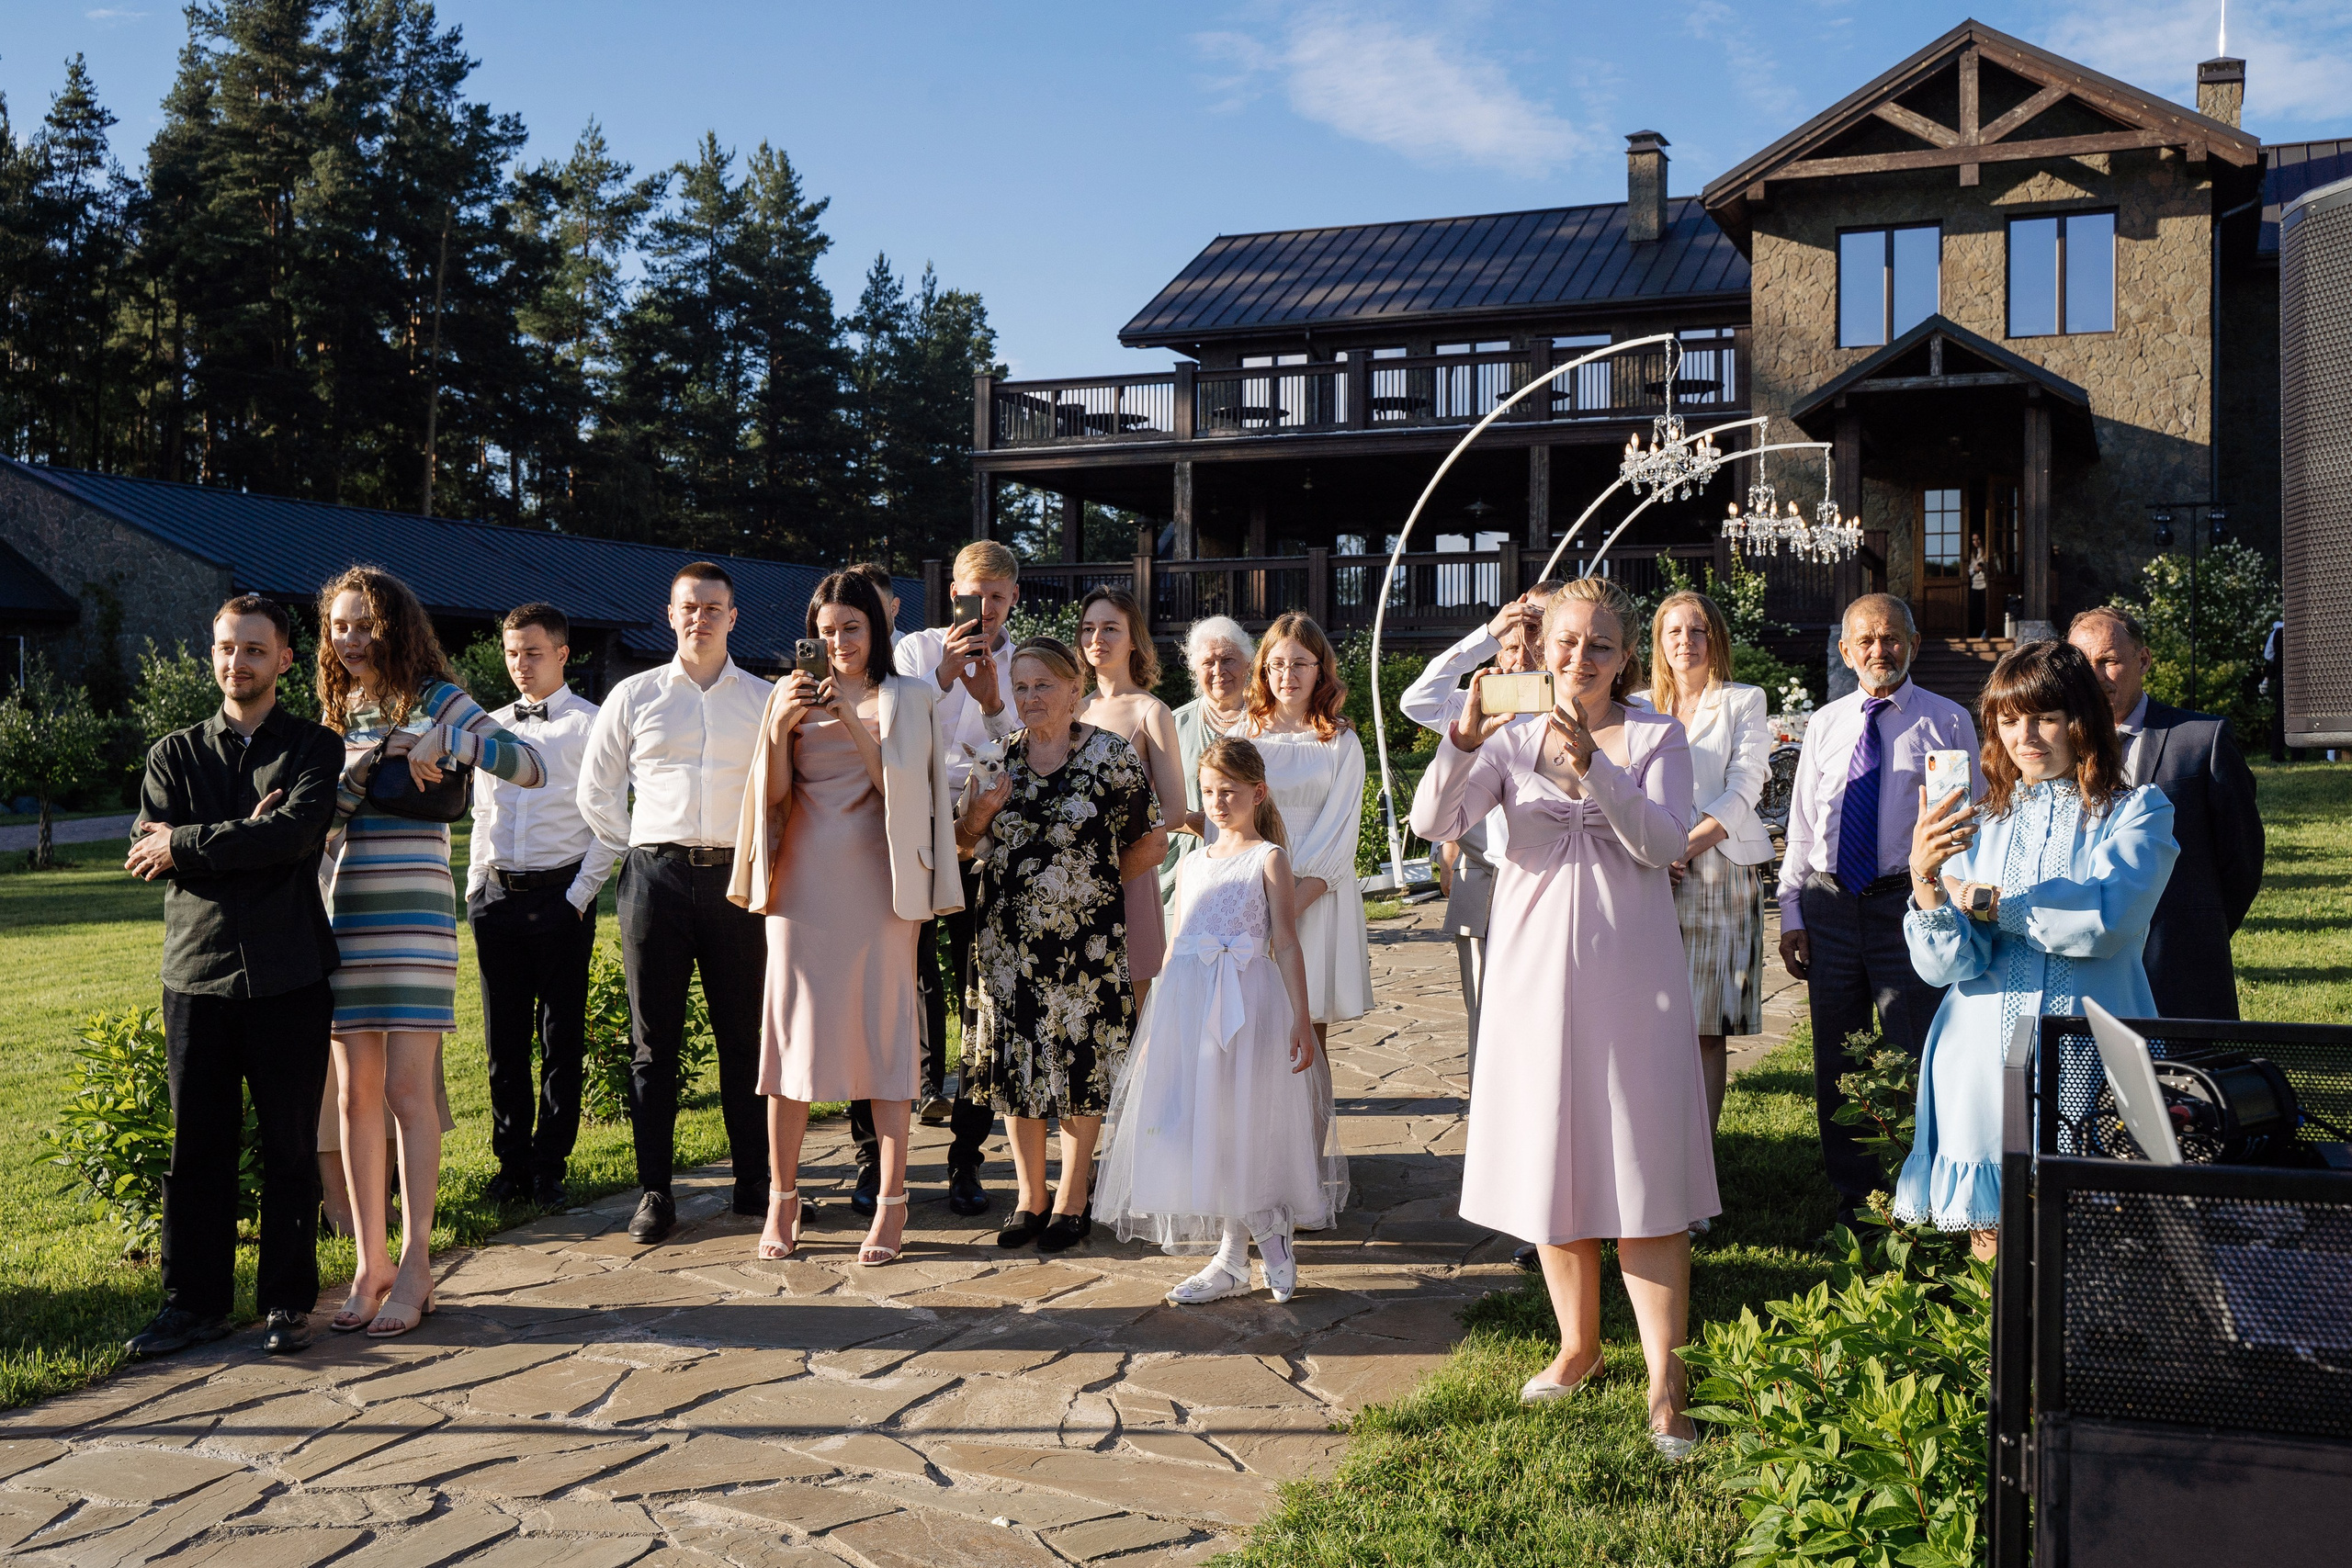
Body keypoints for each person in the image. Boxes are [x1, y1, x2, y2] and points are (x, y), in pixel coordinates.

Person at [1408, 577, 1718, 1456]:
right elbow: (1438, 818)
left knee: (1641, 1162)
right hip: (1532, 973)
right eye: (1567, 641)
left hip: (1632, 974)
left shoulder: (1658, 734)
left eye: (1601, 645)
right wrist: (1461, 743)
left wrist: (1597, 767)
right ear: (1543, 647)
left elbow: (1664, 843)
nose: (1580, 657)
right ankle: (1578, 1346)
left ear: (1628, 658)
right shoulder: (1505, 739)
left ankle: (1667, 1381)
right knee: (1556, 1155)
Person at [319, 566, 545, 1336]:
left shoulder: (437, 697)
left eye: (362, 624)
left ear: (394, 624)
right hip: (346, 912)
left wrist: (446, 737)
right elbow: (332, 824)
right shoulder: (340, 707)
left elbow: (530, 764)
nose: (349, 639)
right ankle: (368, 1260)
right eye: (339, 626)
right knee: (353, 1099)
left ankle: (417, 1263)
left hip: (416, 918)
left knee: (409, 1096)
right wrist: (346, 778)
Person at [120, 595, 346, 1359]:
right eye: (225, 647)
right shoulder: (172, 755)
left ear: (285, 658)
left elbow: (291, 837)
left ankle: (287, 1300)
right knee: (198, 1149)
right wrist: (240, 835)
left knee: (288, 1146)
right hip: (195, 976)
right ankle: (193, 1303)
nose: (236, 662)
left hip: (289, 974)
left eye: (254, 648)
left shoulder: (316, 747)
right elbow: (147, 851)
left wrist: (189, 842)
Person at [1897, 641, 2177, 1255]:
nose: (2024, 734)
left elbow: (2108, 918)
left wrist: (1991, 904)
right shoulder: (1976, 823)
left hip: (2091, 1056)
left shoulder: (2137, 811)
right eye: (2008, 718)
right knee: (1993, 1243)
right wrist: (1924, 879)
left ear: (2084, 720)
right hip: (1976, 1061)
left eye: (2045, 716)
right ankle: (1994, 1355)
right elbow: (1948, 963)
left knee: (2094, 1240)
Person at [729, 571, 960, 1267]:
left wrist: (854, 724)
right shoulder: (785, 693)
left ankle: (892, 1205)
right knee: (791, 1040)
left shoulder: (911, 696)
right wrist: (778, 728)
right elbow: (772, 796)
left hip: (880, 886)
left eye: (850, 629)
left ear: (876, 631)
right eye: (826, 631)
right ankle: (783, 1196)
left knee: (886, 1036)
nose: (837, 643)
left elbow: (904, 792)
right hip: (801, 885)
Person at [1094, 736, 1335, 1304]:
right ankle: (1232, 1258)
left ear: (1258, 792)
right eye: (1208, 791)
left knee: (1243, 1119)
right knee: (1203, 1125)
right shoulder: (1194, 859)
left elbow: (1286, 940)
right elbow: (1178, 942)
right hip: (1190, 1002)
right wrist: (1156, 1028)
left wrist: (1302, 1019)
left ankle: (1265, 1238)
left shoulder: (1268, 857)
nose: (1218, 801)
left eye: (1229, 791)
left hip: (1250, 1003)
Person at [578, 561, 773, 1245]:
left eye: (713, 607)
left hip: (736, 882)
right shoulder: (632, 697)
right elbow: (595, 788)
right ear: (670, 614)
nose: (700, 617)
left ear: (732, 617)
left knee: (743, 1035)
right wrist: (632, 844)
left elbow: (783, 790)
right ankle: (655, 1191)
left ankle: (754, 1181)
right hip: (654, 877)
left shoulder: (763, 698)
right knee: (652, 1042)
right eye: (689, 606)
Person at [956, 637, 1165, 1254]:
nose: (1030, 697)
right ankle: (1029, 1196)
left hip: (1086, 945)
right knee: (1018, 1068)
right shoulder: (996, 757)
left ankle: (1073, 1199)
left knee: (1080, 1067)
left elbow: (1150, 841)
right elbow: (965, 843)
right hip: (1005, 942)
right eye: (1020, 687)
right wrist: (979, 812)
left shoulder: (1110, 755)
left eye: (1043, 684)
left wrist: (1086, 886)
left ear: (1076, 689)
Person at [1778, 593, 1980, 1231]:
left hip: (1906, 901)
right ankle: (1855, 1198)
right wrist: (1790, 911)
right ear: (1845, 651)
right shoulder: (1825, 725)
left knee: (1914, 1048)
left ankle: (1917, 1186)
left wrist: (1948, 900)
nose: (1878, 650)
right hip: (1830, 904)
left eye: (1891, 638)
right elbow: (1803, 824)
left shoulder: (1947, 722)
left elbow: (1967, 825)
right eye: (1864, 640)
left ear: (1913, 645)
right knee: (1837, 1056)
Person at [465, 604, 616, 1211]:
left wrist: (579, 897)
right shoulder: (487, 727)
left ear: (561, 653)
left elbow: (614, 825)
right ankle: (511, 1165)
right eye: (511, 652)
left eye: (532, 652)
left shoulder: (592, 725)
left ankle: (551, 1164)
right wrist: (476, 887)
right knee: (504, 1043)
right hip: (497, 900)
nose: (520, 664)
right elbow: (483, 815)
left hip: (562, 899)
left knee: (560, 1038)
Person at [887, 540, 1022, 1218]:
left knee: (981, 996)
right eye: (976, 594)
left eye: (998, 597)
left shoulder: (1025, 662)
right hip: (913, 831)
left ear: (1014, 599)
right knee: (897, 985)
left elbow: (1023, 755)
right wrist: (944, 679)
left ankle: (967, 1156)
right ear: (955, 595)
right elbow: (898, 730)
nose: (987, 609)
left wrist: (995, 704)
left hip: (985, 835)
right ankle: (880, 1158)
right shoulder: (914, 650)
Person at [2065, 607, 2263, 1019]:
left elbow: (2240, 858)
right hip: (2081, 970)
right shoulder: (2055, 750)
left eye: (2110, 661)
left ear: (2143, 660)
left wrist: (2199, 929)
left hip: (2180, 965)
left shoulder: (2200, 741)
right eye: (2084, 665)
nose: (2097, 677)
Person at [1400, 583, 1563, 1068]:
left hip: (1554, 880)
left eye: (1536, 636)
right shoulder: (1479, 706)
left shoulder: (1578, 706)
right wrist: (1487, 635)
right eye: (1511, 644)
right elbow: (1417, 701)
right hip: (1483, 877)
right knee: (1485, 1015)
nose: (1521, 653)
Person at [1245, 612, 1367, 1222]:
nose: (1287, 673)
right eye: (1277, 663)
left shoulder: (1340, 740)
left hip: (1316, 898)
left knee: (1306, 1041)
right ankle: (1257, 1169)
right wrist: (1259, 895)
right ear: (1263, 670)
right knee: (1257, 1040)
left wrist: (1289, 899)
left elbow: (1340, 832)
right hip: (1253, 905)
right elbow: (1230, 815)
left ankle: (1305, 1175)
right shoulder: (1246, 735)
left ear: (1321, 668)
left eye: (1300, 662)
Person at [1647, 591, 1774, 1135]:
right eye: (1673, 632)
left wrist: (1682, 847)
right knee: (1644, 1018)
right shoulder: (1633, 705)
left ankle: (1698, 1171)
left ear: (1714, 639)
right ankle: (1650, 1152)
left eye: (1696, 631)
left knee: (1704, 1025)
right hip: (1646, 869)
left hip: (1720, 870)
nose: (1685, 642)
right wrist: (1655, 851)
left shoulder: (1744, 701)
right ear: (1658, 642)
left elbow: (1744, 789)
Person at [1077, 586, 1183, 1002]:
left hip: (1130, 872)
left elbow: (1173, 811)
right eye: (1088, 629)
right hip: (1072, 875)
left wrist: (1114, 836)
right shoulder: (1073, 709)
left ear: (1134, 639)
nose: (1096, 639)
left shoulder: (1151, 711)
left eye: (1110, 628)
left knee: (1129, 1016)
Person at [1159, 615, 1253, 903]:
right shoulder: (1172, 725)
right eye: (1208, 663)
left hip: (1252, 860)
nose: (1218, 670)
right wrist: (1193, 822)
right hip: (1185, 862)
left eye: (1228, 660)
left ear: (1247, 664)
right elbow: (1148, 802)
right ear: (1195, 670)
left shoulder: (1267, 722)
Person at [1966, 533, 1991, 638]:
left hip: (1985, 585)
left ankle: (1986, 633)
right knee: (1974, 611)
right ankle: (1975, 634)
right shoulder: (1972, 554)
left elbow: (1995, 568)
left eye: (1978, 539)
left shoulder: (1987, 553)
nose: (1976, 542)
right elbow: (1969, 571)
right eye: (1973, 539)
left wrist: (1983, 567)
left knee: (1985, 610)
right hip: (1975, 585)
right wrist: (1974, 570)